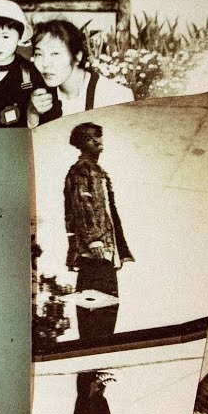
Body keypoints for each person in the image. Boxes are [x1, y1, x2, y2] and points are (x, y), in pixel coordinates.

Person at [64, 123, 133, 339]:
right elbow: (81, 205)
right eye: (90, 138)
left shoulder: (99, 171)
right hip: (94, 254)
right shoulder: (80, 170)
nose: (97, 141)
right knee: (95, 319)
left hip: (105, 255)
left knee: (106, 315)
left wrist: (117, 251)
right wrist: (93, 240)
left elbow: (108, 212)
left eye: (99, 136)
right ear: (81, 144)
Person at [27, 19, 134, 127]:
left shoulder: (115, 96)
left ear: (78, 56)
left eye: (55, 53)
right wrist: (32, 114)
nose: (45, 63)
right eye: (39, 54)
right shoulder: (38, 95)